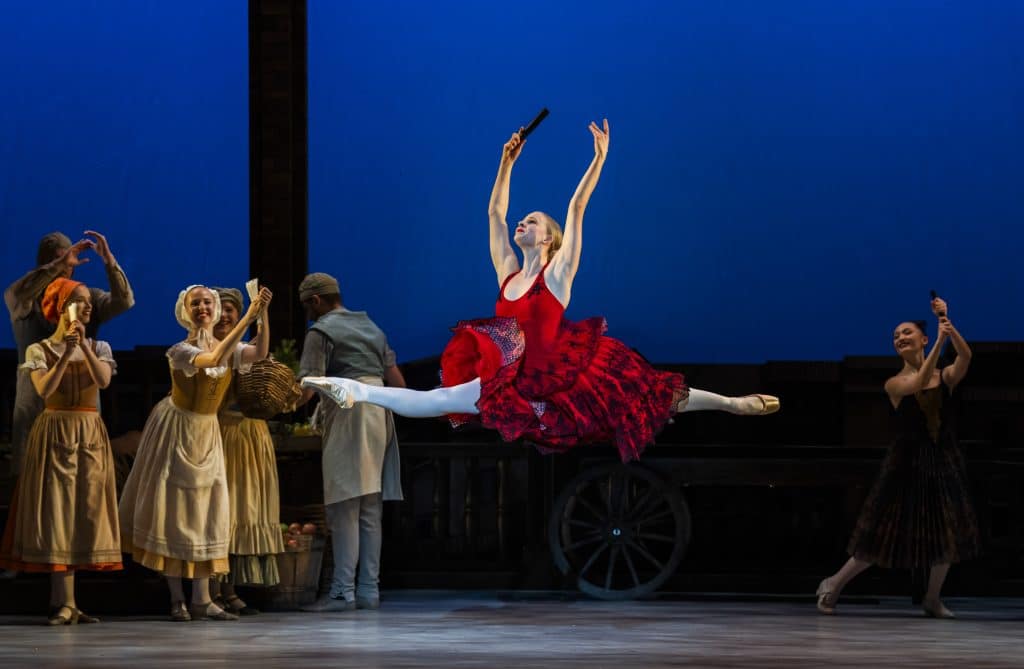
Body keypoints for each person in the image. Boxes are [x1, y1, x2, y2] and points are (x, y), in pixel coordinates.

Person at [303, 120, 779, 463]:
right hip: (512, 380)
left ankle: (730, 403)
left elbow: (576, 207)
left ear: (547, 238)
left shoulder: (557, 277)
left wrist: (599, 160)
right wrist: (505, 163)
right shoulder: (508, 275)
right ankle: (351, 390)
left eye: (530, 222)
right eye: (521, 221)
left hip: (560, 375)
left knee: (650, 392)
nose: (520, 224)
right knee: (434, 401)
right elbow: (493, 215)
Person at [815, 296, 979, 618]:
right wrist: (941, 340)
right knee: (881, 534)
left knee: (946, 533)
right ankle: (833, 583)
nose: (900, 338)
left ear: (923, 338)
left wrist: (949, 325)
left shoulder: (945, 377)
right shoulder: (895, 383)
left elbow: (966, 356)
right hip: (906, 464)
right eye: (895, 336)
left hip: (942, 461)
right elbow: (919, 382)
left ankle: (932, 598)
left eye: (906, 332)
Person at [118, 284, 272, 622]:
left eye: (207, 302)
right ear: (185, 310)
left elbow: (259, 353)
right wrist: (247, 315)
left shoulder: (227, 346)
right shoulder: (181, 350)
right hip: (178, 430)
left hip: (207, 432)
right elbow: (212, 360)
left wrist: (262, 316)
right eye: (195, 302)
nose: (202, 307)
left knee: (208, 510)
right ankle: (177, 598)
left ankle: (202, 598)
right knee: (173, 511)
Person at [0, 278, 122, 624]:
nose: (87, 307)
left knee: (84, 511)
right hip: (54, 430)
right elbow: (44, 388)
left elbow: (102, 381)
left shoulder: (99, 347)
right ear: (60, 307)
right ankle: (63, 602)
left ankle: (69, 602)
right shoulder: (39, 350)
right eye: (78, 301)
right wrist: (67, 351)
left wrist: (81, 347)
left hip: (88, 433)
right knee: (57, 512)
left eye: (88, 302)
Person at [295, 273, 404, 613]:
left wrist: (279, 406)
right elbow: (396, 380)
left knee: (344, 506)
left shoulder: (321, 331)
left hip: (349, 411)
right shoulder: (372, 328)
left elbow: (308, 387)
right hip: (379, 411)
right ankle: (369, 590)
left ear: (315, 301)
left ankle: (343, 592)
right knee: (370, 507)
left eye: (306, 306)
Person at [5, 231, 133, 475]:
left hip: (80, 397)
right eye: (56, 260)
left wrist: (109, 262)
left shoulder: (85, 298)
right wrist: (58, 265)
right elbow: (15, 294)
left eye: (67, 258)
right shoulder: (27, 300)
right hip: (37, 396)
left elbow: (123, 301)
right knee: (31, 473)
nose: (66, 266)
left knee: (84, 471)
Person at [207, 287, 284, 616]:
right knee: (221, 513)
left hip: (249, 436)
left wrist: (262, 313)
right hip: (220, 434)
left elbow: (261, 351)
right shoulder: (209, 349)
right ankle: (213, 589)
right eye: (221, 310)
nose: (225, 316)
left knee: (243, 510)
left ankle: (230, 588)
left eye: (232, 310)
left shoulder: (239, 349)